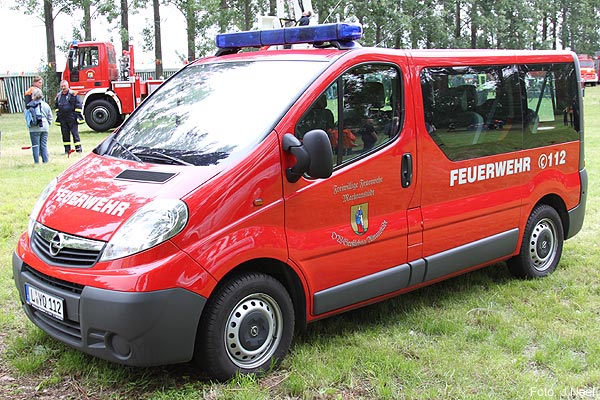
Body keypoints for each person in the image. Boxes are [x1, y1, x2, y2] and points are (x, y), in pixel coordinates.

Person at [55, 80, 84, 154]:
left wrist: (75, 115)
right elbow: (56, 106)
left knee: (75, 134)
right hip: (63, 118)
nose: (63, 88)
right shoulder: (59, 96)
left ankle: (78, 149)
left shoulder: (73, 94)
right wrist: (58, 114)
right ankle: (67, 150)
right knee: (65, 135)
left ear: (68, 86)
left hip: (72, 118)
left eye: (64, 86)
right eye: (62, 86)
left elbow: (78, 105)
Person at [26, 88, 52, 164]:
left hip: (34, 128)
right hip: (45, 127)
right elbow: (50, 117)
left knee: (35, 145)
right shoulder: (46, 105)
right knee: (44, 145)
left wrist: (29, 125)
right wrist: (47, 124)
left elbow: (28, 117)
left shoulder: (30, 105)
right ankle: (45, 161)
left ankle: (36, 161)